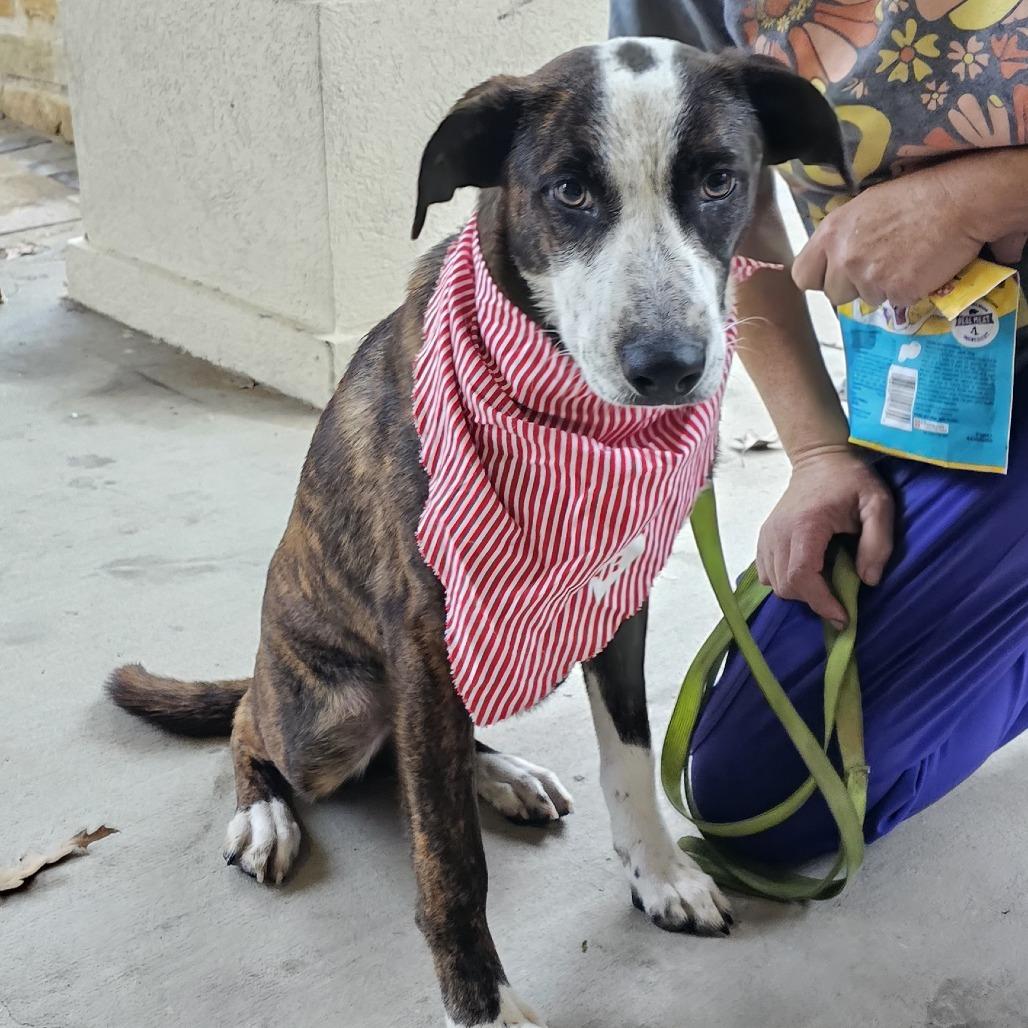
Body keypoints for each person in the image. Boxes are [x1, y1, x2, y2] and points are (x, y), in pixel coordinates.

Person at [611, 0, 1028, 862]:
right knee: (766, 794)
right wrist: (818, 453)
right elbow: (736, 203)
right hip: (959, 380)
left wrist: (975, 198)